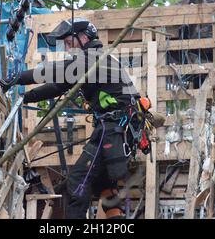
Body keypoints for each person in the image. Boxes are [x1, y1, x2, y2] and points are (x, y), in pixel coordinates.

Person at [15, 18, 147, 219]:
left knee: (77, 182)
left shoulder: (92, 58)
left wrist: (17, 77)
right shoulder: (92, 61)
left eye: (69, 43)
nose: (67, 49)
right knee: (104, 186)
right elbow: (59, 86)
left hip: (112, 129)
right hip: (114, 129)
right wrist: (26, 97)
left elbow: (54, 71)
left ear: (84, 38)